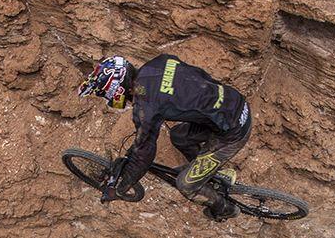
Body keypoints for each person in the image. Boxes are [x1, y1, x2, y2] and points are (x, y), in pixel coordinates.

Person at [78, 54, 252, 221]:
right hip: (234, 102)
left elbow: (143, 156)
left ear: (116, 89)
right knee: (179, 136)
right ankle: (211, 173)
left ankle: (225, 209)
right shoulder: (158, 63)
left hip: (232, 131)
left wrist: (120, 189)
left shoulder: (146, 106)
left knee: (185, 184)